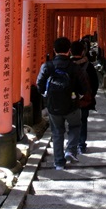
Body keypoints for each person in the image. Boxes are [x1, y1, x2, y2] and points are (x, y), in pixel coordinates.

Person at [36, 36, 87, 170]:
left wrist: (47, 95)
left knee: (57, 132)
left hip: (53, 107)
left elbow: (39, 85)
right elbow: (84, 87)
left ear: (54, 50)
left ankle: (59, 162)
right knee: (75, 126)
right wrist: (77, 97)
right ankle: (70, 150)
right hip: (72, 105)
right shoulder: (74, 67)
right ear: (69, 51)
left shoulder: (47, 66)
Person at [71, 39, 100, 154]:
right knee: (83, 122)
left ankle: (72, 146)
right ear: (83, 51)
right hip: (84, 101)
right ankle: (81, 146)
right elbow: (95, 83)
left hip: (70, 101)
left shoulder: (67, 65)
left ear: (70, 51)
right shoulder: (89, 66)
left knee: (72, 123)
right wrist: (91, 96)